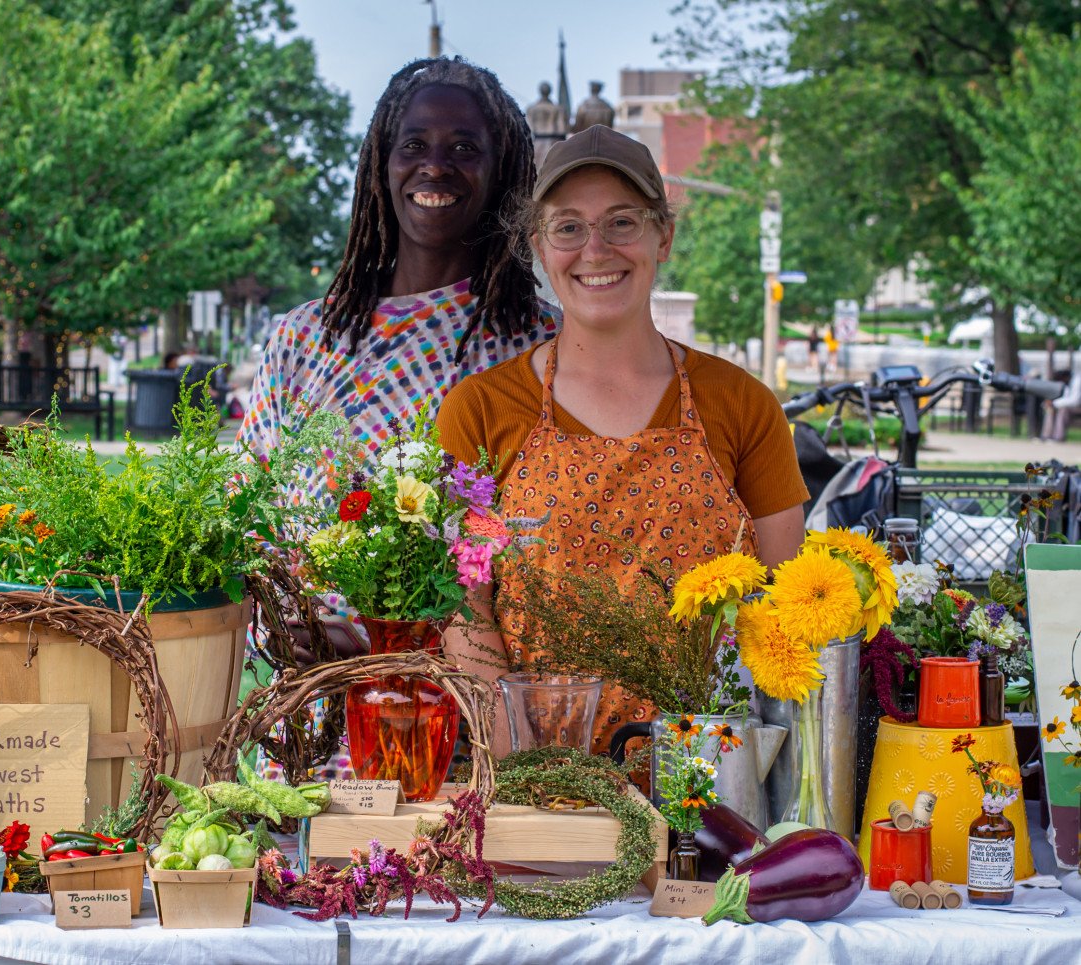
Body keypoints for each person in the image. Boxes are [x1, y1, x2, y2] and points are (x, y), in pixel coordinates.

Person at [437, 126, 808, 757]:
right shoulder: (479, 410)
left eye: (622, 223)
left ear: (664, 235)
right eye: (568, 227)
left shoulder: (743, 405)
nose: (596, 249)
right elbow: (465, 616)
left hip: (708, 782)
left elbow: (783, 605)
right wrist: (531, 771)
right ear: (538, 246)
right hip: (540, 776)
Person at [238, 56, 560, 775]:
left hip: (472, 740)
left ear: (503, 170)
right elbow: (245, 520)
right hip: (312, 736)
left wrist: (397, 637)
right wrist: (283, 619)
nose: (435, 167)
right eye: (413, 145)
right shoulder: (302, 341)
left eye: (464, 148)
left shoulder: (540, 347)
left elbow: (550, 547)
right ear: (380, 165)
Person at [1041, 369, 1081, 442]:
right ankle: (1046, 436)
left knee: (1063, 409)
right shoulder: (1067, 383)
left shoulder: (1078, 381)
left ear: (1064, 377)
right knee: (1051, 409)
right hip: (1071, 406)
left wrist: (1054, 403)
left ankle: (1059, 437)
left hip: (1078, 406)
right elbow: (1065, 398)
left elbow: (1075, 400)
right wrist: (1051, 404)